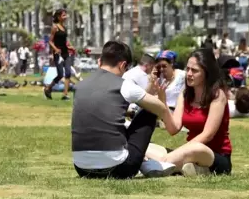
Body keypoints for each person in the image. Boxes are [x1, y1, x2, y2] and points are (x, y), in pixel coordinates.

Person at [71, 41, 178, 179]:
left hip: (82, 168)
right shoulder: (124, 85)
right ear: (122, 65)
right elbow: (159, 108)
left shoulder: (80, 86)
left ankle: (144, 161)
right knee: (148, 112)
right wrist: (162, 102)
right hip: (118, 168)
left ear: (99, 62)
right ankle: (145, 163)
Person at [148, 48, 232, 176]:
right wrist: (162, 100)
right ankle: (192, 168)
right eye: (188, 69)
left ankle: (158, 165)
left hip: (213, 155)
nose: (189, 74)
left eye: (195, 70)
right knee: (147, 147)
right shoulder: (185, 95)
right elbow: (173, 128)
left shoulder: (217, 95)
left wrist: (181, 151)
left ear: (206, 73)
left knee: (195, 148)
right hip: (188, 150)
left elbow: (207, 135)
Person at [44, 9, 75, 101]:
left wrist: (70, 47)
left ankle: (65, 94)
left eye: (65, 15)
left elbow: (65, 42)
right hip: (58, 54)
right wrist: (56, 49)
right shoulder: (55, 27)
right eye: (63, 15)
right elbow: (50, 41)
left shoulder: (64, 28)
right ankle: (48, 88)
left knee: (68, 73)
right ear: (58, 17)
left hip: (66, 53)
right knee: (60, 74)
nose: (65, 17)